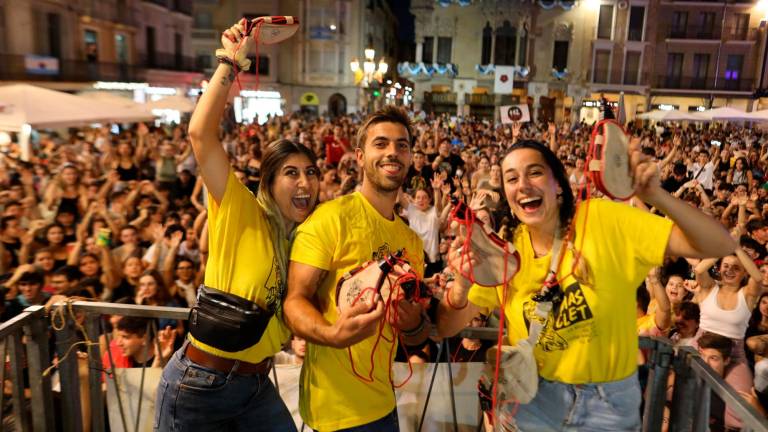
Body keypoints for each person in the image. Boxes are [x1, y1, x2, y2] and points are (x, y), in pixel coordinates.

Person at [437, 139, 735, 431]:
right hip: (532, 402)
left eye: (535, 172)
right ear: (506, 194)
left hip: (607, 408)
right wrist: (462, 286)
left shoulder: (603, 220)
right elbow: (446, 327)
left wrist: (657, 196)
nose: (523, 184)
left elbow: (718, 243)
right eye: (511, 178)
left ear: (558, 183)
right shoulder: (506, 255)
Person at [154, 19, 319, 432]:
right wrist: (230, 61)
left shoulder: (300, 239)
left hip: (255, 386)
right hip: (199, 385)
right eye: (292, 173)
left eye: (311, 172)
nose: (305, 183)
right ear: (268, 181)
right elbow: (200, 134)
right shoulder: (240, 208)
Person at [285, 106, 428, 431]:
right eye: (381, 143)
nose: (393, 152)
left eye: (402, 145)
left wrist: (414, 322)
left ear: (410, 158)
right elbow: (294, 302)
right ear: (360, 157)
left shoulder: (412, 243)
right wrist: (331, 335)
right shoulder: (329, 219)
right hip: (334, 412)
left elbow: (416, 332)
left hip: (385, 404)